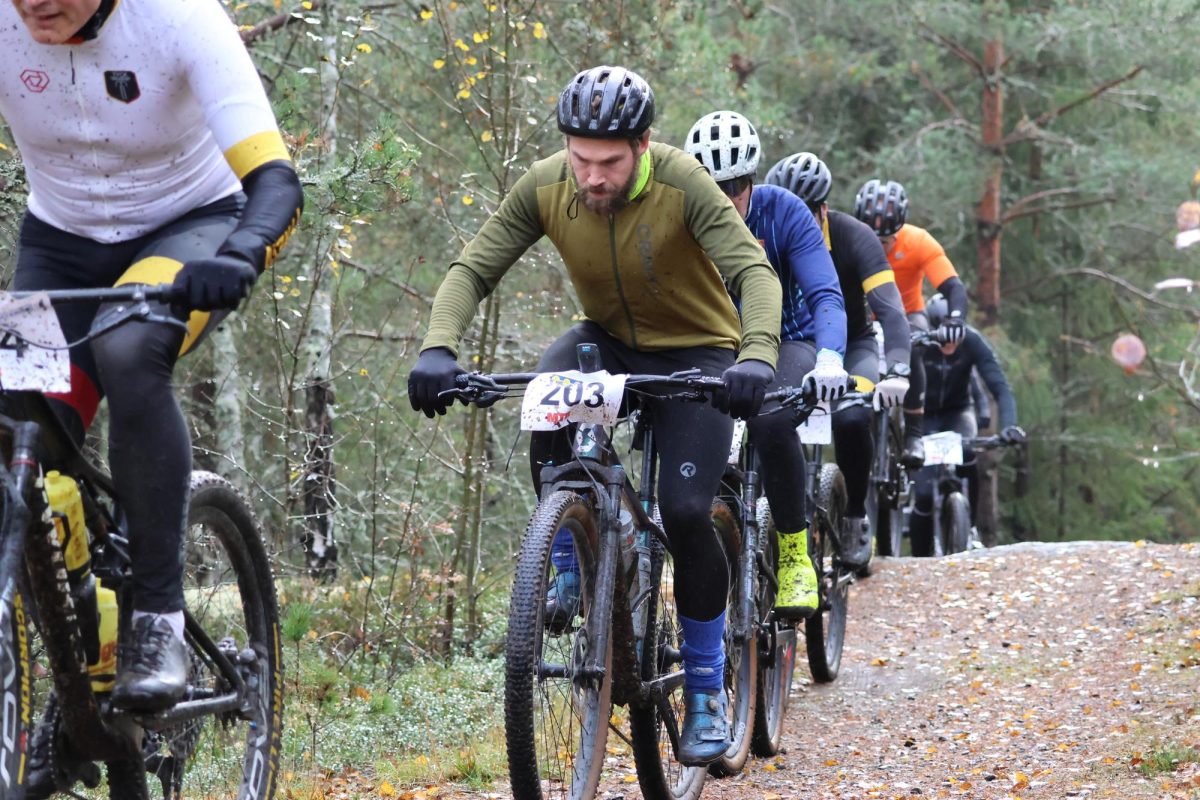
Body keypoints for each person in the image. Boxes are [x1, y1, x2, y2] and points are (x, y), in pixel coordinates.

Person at [407, 67, 783, 766]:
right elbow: (473, 269)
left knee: (685, 512)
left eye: (609, 162)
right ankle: (569, 554)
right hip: (606, 343)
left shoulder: (682, 183)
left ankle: (706, 691)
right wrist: (438, 347)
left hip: (697, 352)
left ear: (642, 145)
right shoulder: (547, 185)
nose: (592, 177)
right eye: (581, 159)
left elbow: (753, 274)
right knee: (547, 396)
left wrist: (757, 356)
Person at [0, 0, 303, 712]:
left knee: (128, 347)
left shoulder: (178, 18)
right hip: (61, 245)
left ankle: (157, 619)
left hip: (191, 227)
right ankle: (84, 644)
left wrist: (241, 254)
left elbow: (276, 181)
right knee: (17, 421)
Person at [683, 113, 849, 616]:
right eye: (713, 187)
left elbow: (825, 293)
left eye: (734, 186)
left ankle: (796, 554)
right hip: (714, 346)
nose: (725, 196)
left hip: (789, 342)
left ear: (751, 180)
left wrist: (829, 358)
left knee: (771, 419)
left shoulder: (784, 211)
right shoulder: (681, 213)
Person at [765, 153, 911, 570]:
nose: (794, 219)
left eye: (806, 211)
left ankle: (855, 516)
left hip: (853, 347)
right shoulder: (768, 232)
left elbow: (890, 309)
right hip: (792, 345)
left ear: (824, 210)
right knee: (766, 417)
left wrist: (898, 368)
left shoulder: (855, 237)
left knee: (851, 417)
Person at [854, 179, 969, 467]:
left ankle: (914, 432)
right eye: (871, 239)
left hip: (908, 313)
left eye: (885, 241)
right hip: (864, 314)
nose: (877, 247)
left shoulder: (918, 241)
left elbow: (952, 286)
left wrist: (955, 319)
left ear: (899, 231)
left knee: (913, 347)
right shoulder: (849, 237)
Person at [909, 294, 1026, 554]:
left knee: (968, 453)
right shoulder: (920, 343)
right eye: (943, 339)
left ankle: (969, 526)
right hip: (923, 415)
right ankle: (918, 558)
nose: (949, 346)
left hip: (958, 412)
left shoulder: (973, 342)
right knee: (924, 494)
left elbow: (1000, 387)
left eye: (955, 339)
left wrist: (1009, 425)